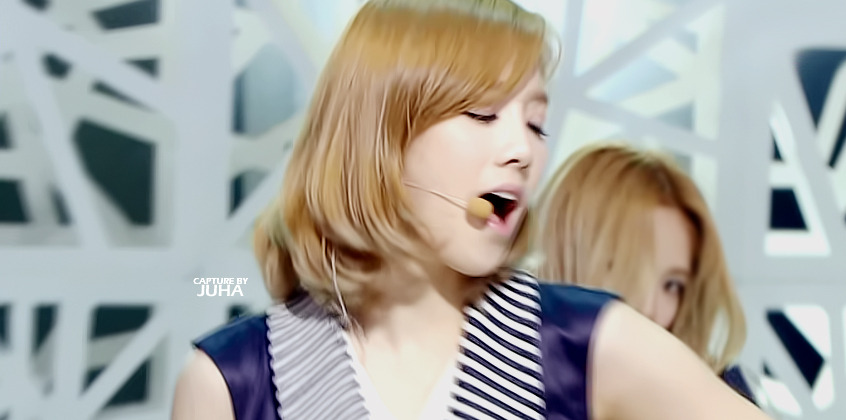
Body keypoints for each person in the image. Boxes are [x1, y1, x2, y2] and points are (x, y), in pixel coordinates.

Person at [171, 1, 772, 419]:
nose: (523, 150)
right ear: (377, 136)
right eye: (482, 114)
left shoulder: (588, 344)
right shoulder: (231, 382)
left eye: (536, 123)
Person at [532, 142, 768, 407]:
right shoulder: (508, 381)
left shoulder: (717, 393)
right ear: (566, 254)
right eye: (624, 269)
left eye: (672, 285)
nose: (648, 309)